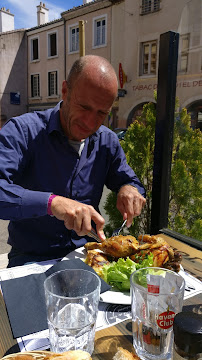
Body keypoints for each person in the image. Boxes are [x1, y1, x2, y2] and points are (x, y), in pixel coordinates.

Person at [0, 55, 146, 267]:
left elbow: (130, 181)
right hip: (31, 258)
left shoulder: (107, 141)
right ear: (65, 91)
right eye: (84, 107)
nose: (90, 122)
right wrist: (53, 203)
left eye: (101, 113)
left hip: (88, 257)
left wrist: (129, 189)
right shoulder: (23, 131)